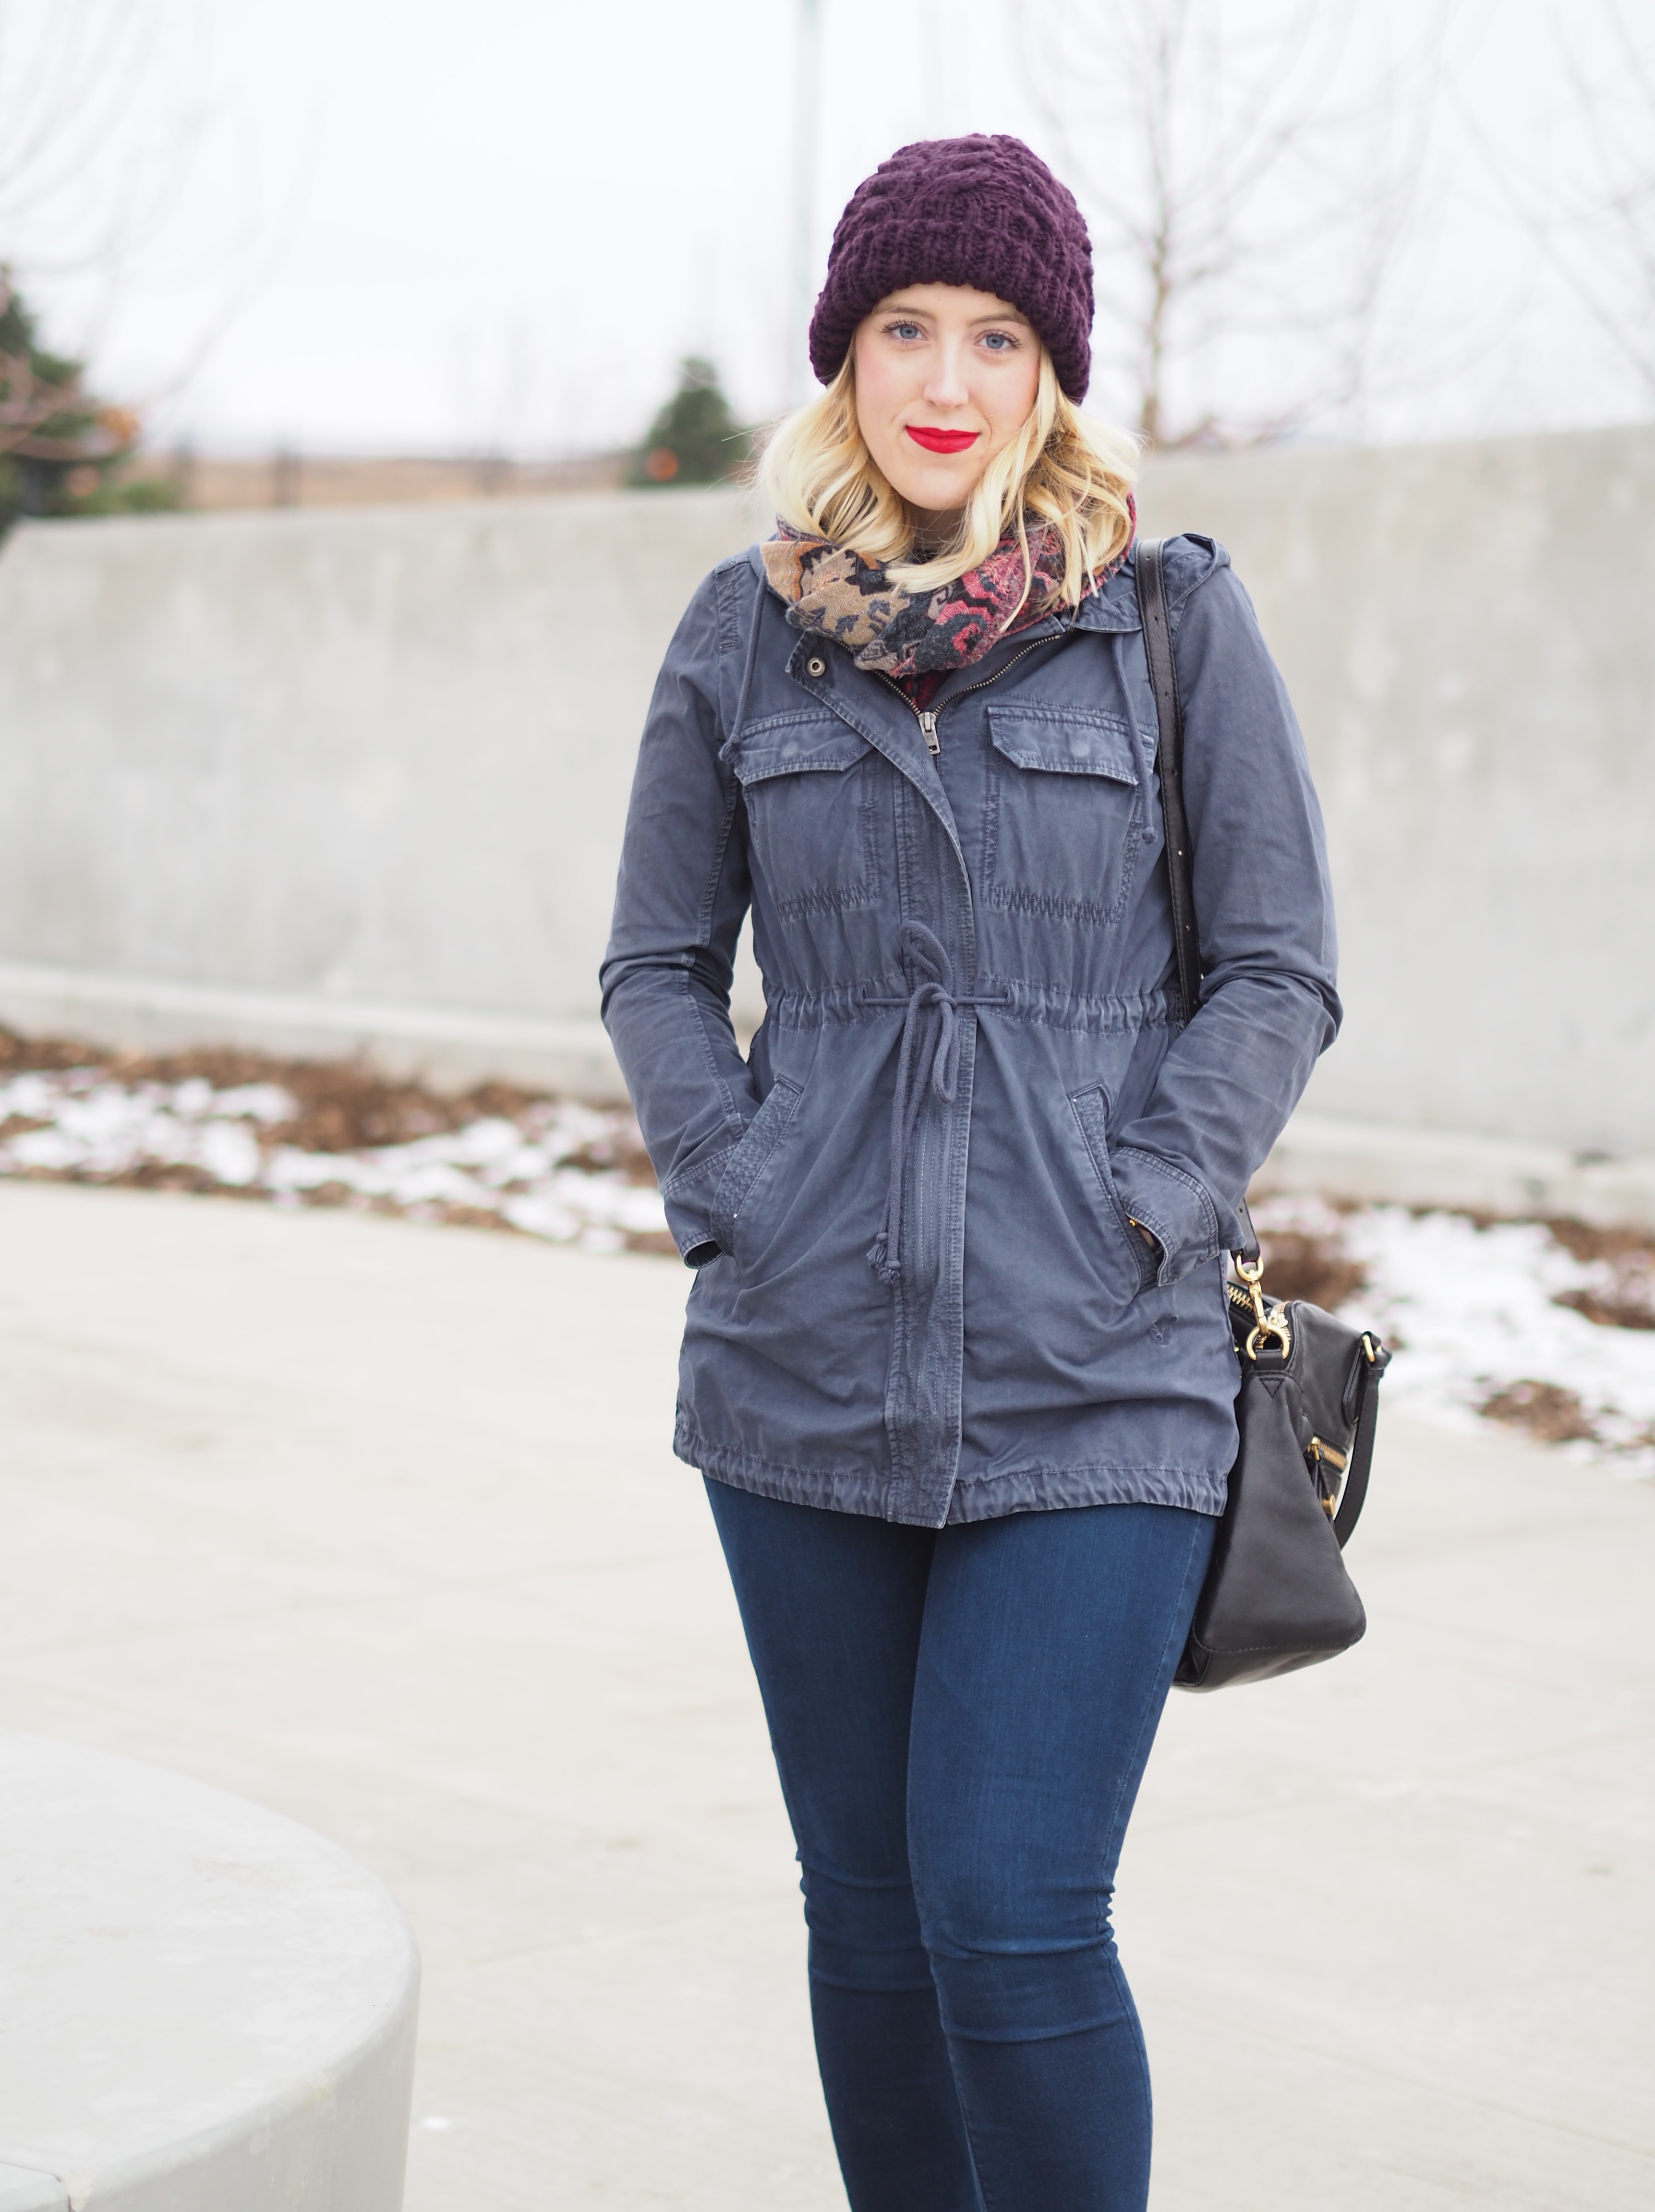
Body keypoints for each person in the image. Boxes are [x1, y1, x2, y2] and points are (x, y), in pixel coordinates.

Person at [601, 134, 1338, 2212]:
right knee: (868, 1915)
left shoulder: (1172, 622)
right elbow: (659, 960)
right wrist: (738, 1188)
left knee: (1010, 1906)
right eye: (905, 327)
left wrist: (1144, 1202)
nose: (946, 372)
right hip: (803, 1366)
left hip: (1096, 1370)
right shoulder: (742, 637)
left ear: (1051, 371)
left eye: (994, 334)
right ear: (842, 360)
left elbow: (1280, 968)